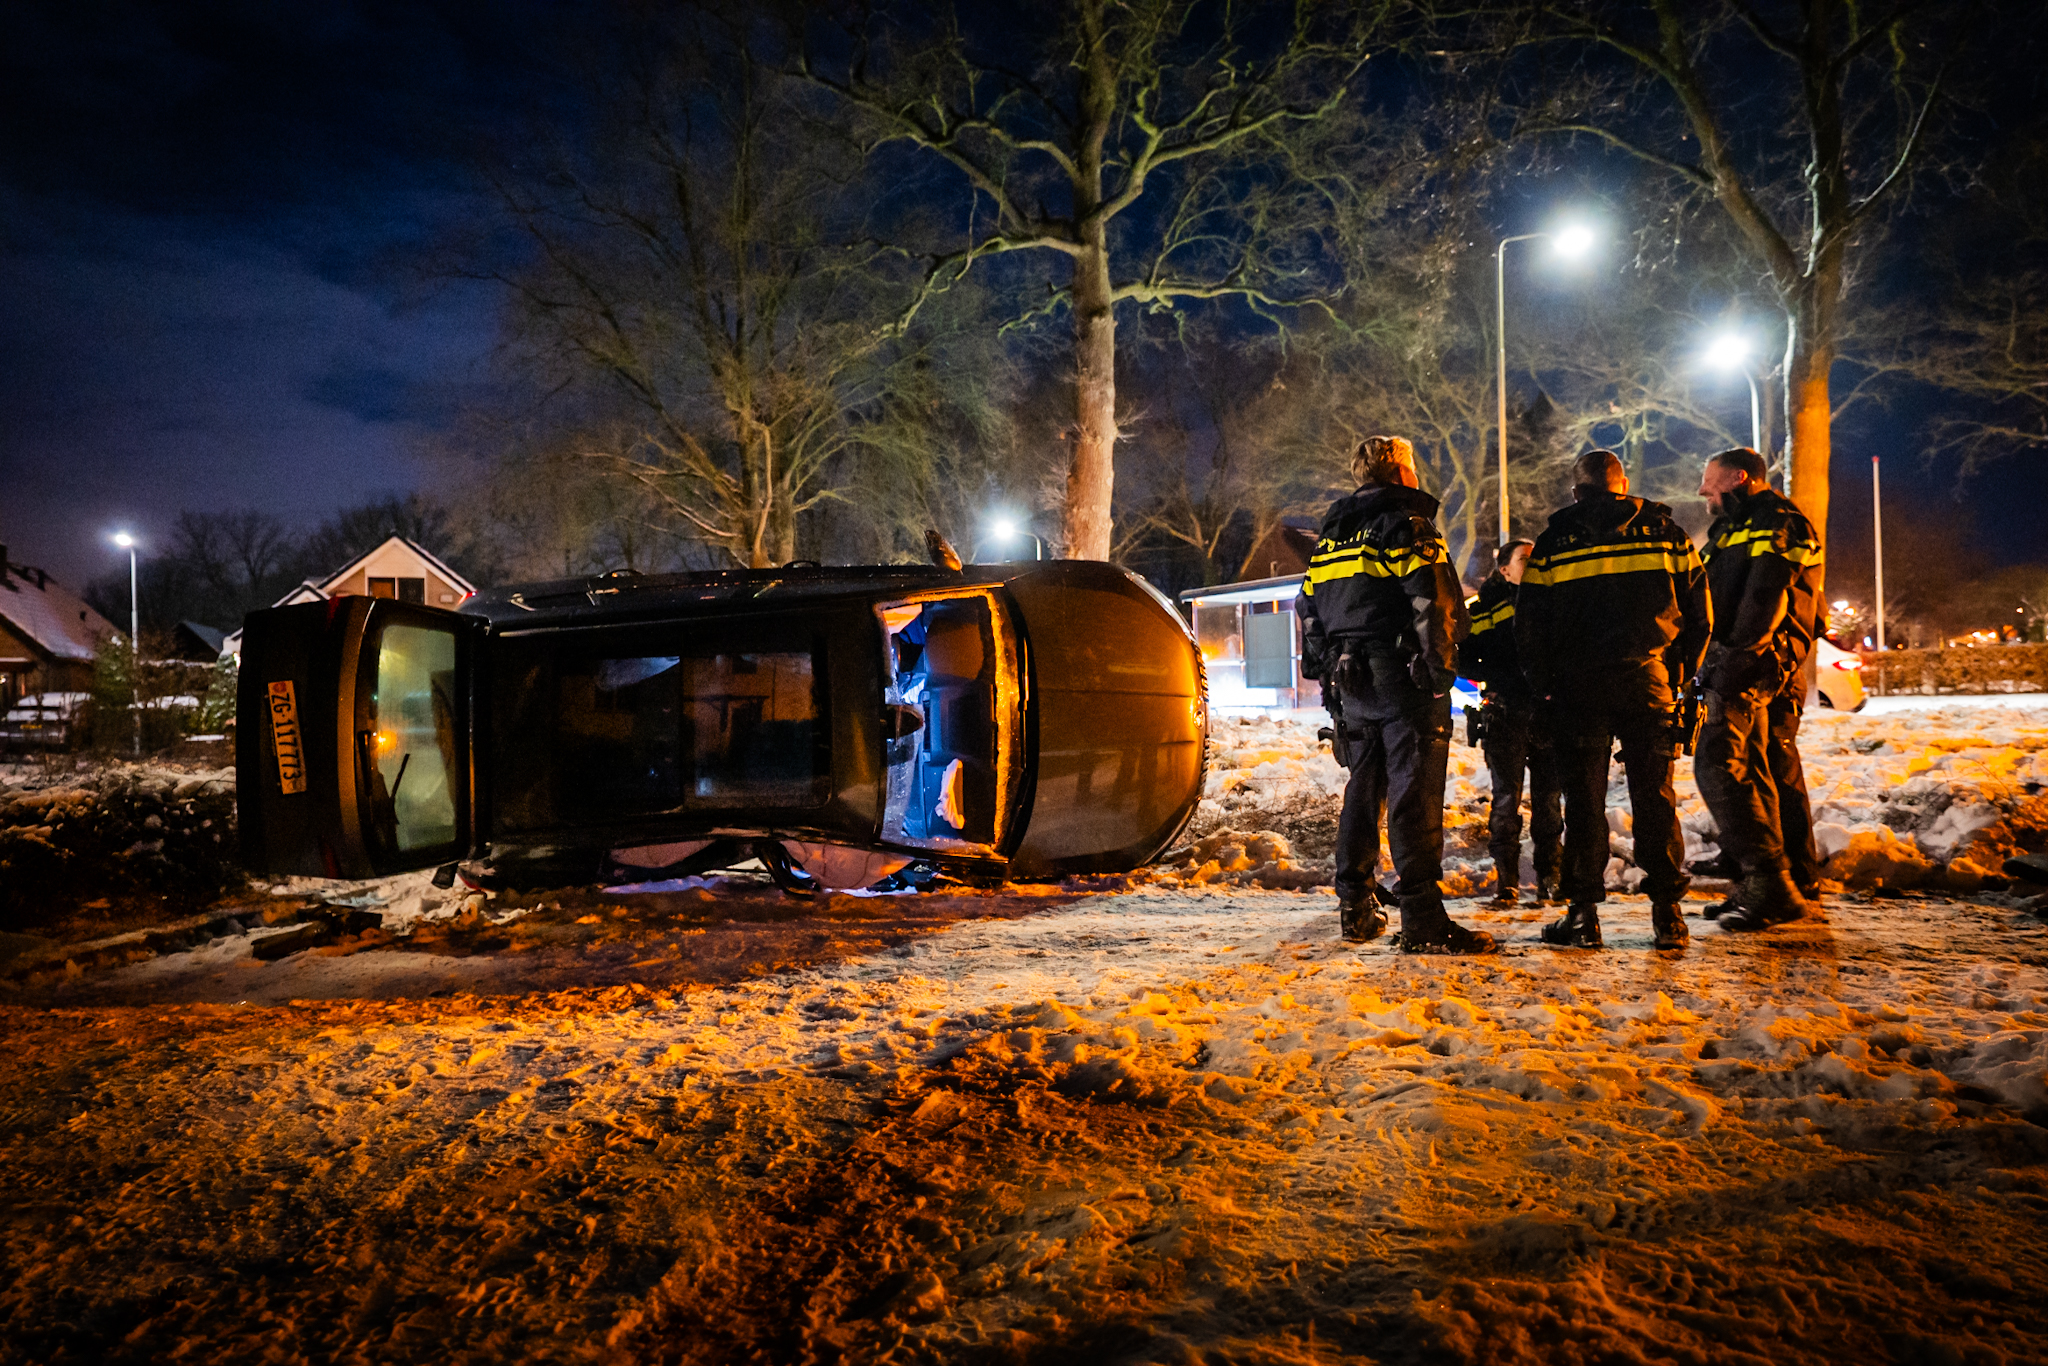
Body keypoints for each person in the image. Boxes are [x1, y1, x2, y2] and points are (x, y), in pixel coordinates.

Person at [1296, 435, 1493, 953]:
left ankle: (1355, 906)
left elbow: (1309, 612)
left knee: (1363, 792)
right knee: (1414, 796)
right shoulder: (1406, 526)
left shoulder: (1330, 540)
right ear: (1401, 471)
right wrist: (1437, 671)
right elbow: (1436, 601)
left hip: (1351, 683)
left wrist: (1329, 685)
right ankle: (1424, 921)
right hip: (1402, 678)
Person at [1515, 449, 1711, 950]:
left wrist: (1544, 689)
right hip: (1650, 682)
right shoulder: (1667, 533)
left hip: (1578, 691)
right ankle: (1669, 916)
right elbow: (1699, 616)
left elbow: (1530, 627)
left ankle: (1582, 918)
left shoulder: (1556, 541)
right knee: (1656, 797)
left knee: (1584, 803)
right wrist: (1681, 677)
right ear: (1623, 487)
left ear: (1577, 492)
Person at [1695, 447, 1827, 931]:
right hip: (1743, 663)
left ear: (1738, 477)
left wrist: (1735, 662)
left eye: (1710, 481)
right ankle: (1771, 881)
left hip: (1759, 667)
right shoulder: (1734, 527)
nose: (1702, 491)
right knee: (1756, 767)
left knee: (1733, 763)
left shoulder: (1778, 522)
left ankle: (1782, 880)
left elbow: (1765, 599)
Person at [1460, 539, 1563, 906]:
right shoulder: (1483, 608)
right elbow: (1464, 657)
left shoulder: (1552, 599)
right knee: (1506, 801)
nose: (1534, 562)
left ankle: (1551, 875)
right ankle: (1508, 882)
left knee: (1550, 802)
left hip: (1548, 714)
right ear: (1504, 569)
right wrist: (1498, 675)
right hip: (1505, 715)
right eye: (1525, 558)